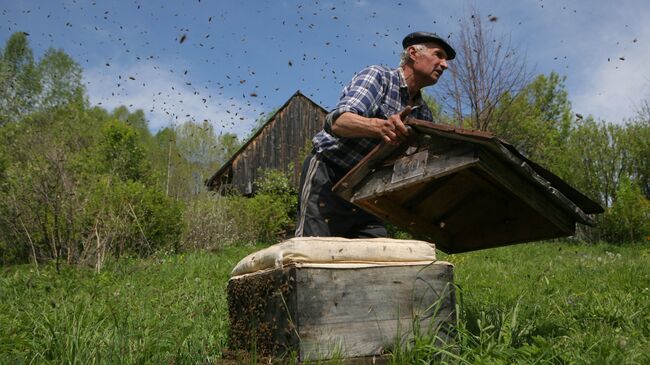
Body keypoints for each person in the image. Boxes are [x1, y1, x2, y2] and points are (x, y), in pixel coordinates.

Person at [295, 31, 455, 238]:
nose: (445, 65)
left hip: (369, 189)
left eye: (446, 60)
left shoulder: (424, 113)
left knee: (378, 255)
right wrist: (379, 127)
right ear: (413, 53)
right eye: (439, 55)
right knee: (314, 253)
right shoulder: (379, 77)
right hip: (329, 176)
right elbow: (337, 122)